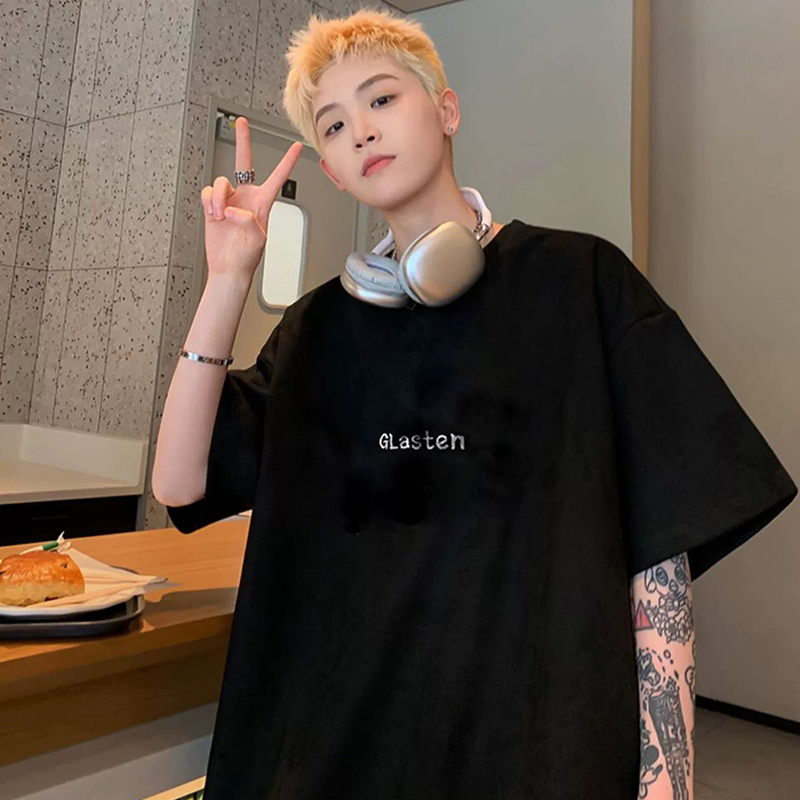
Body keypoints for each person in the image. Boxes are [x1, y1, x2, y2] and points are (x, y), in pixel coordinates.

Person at [152, 8, 797, 800]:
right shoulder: (315, 330)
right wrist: (226, 281)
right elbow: (179, 484)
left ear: (446, 110)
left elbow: (660, 554)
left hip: (538, 756)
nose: (361, 130)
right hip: (338, 754)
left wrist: (670, 781)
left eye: (381, 99)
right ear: (333, 171)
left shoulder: (583, 283)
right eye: (334, 124)